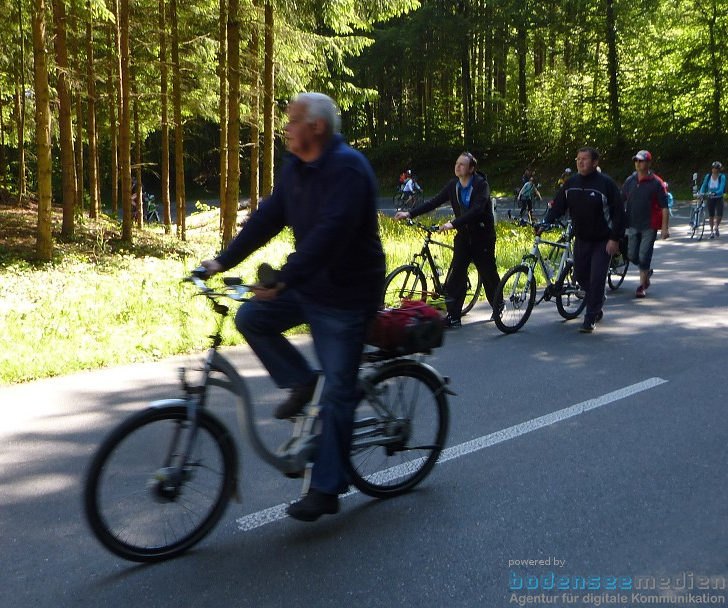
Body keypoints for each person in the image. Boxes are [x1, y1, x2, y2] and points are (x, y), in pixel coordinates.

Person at [199, 92, 385, 522]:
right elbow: (267, 218)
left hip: (348, 293)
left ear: (316, 127)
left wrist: (285, 278)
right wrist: (222, 261)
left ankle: (326, 487)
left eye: (292, 120)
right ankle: (302, 383)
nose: (285, 127)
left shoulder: (348, 169)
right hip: (312, 282)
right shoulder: (296, 167)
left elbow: (330, 234)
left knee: (338, 390)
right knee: (252, 316)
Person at [394, 152, 503, 327]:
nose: (457, 166)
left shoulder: (481, 185)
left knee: (488, 273)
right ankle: (454, 316)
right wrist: (409, 213)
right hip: (463, 237)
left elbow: (476, 210)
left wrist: (452, 224)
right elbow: (434, 202)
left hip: (482, 237)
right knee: (456, 275)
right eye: (457, 163)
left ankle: (498, 305)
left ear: (471, 169)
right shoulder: (454, 185)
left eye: (462, 164)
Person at [540, 147, 624, 333]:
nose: (580, 162)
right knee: (581, 277)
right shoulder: (571, 183)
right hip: (582, 239)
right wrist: (545, 222)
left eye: (585, 159)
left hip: (603, 241)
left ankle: (590, 316)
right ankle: (597, 299)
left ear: (595, 163)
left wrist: (614, 239)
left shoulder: (606, 184)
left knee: (596, 279)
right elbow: (558, 207)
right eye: (578, 159)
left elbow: (619, 214)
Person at [621, 150, 670, 298]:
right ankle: (646, 271)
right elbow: (620, 199)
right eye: (636, 160)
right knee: (631, 255)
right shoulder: (630, 181)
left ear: (648, 163)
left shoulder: (657, 183)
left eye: (641, 161)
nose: (638, 163)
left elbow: (664, 207)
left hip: (649, 225)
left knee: (644, 255)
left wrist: (664, 227)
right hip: (632, 223)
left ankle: (642, 286)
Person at [698, 161, 726, 238]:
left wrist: (715, 193)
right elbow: (704, 185)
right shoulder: (708, 176)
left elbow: (721, 189)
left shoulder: (722, 177)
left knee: (719, 214)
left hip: (718, 197)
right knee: (711, 215)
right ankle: (711, 231)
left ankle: (716, 226)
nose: (714, 169)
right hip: (710, 198)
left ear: (719, 169)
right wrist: (701, 193)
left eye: (716, 168)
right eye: (713, 168)